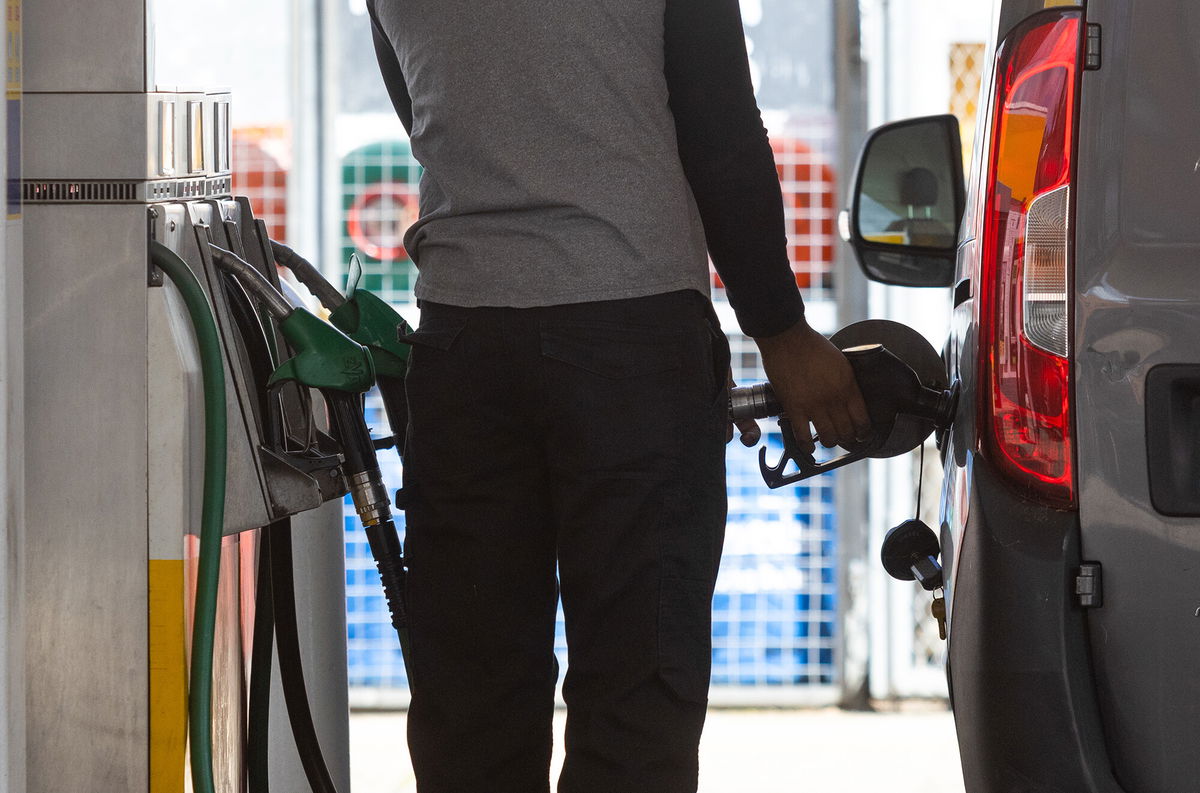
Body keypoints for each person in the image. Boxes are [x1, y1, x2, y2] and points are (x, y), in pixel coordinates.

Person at [365, 1, 870, 790]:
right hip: (631, 340)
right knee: (637, 694)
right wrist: (780, 329)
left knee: (474, 698)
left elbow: (423, 109)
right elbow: (721, 126)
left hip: (465, 347)